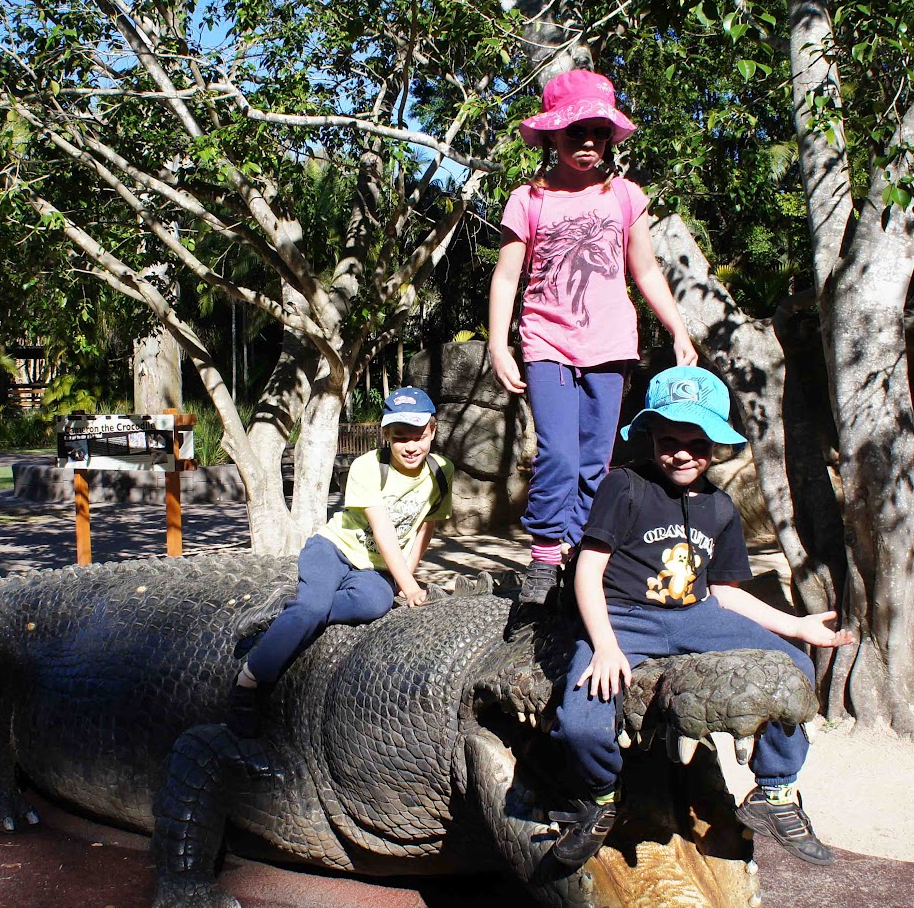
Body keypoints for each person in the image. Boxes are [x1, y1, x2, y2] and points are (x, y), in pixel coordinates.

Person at [550, 366, 855, 867]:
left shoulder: (721, 507)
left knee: (796, 671)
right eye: (669, 439)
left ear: (715, 444)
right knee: (582, 720)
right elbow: (589, 569)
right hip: (625, 618)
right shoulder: (624, 487)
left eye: (697, 442)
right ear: (649, 437)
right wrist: (604, 644)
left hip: (697, 614)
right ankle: (599, 800)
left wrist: (796, 627)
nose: (682, 453)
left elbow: (726, 594)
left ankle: (775, 790)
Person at [487, 69, 698, 606]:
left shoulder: (626, 197)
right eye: (575, 131)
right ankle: (543, 557)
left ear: (610, 138)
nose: (587, 143)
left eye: (598, 132)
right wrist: (496, 342)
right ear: (552, 136)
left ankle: (583, 554)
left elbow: (646, 270)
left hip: (610, 343)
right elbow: (507, 275)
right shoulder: (528, 199)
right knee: (558, 452)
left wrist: (677, 328)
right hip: (546, 341)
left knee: (596, 460)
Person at [227, 386, 454, 737]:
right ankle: (248, 683)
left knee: (375, 603)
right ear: (386, 435)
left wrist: (404, 575)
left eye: (419, 436)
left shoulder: (441, 471)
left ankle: (288, 615)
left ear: (433, 430)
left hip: (373, 568)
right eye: (401, 437)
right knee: (314, 607)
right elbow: (381, 529)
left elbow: (428, 524)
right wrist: (409, 587)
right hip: (332, 550)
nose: (412, 446)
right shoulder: (368, 467)